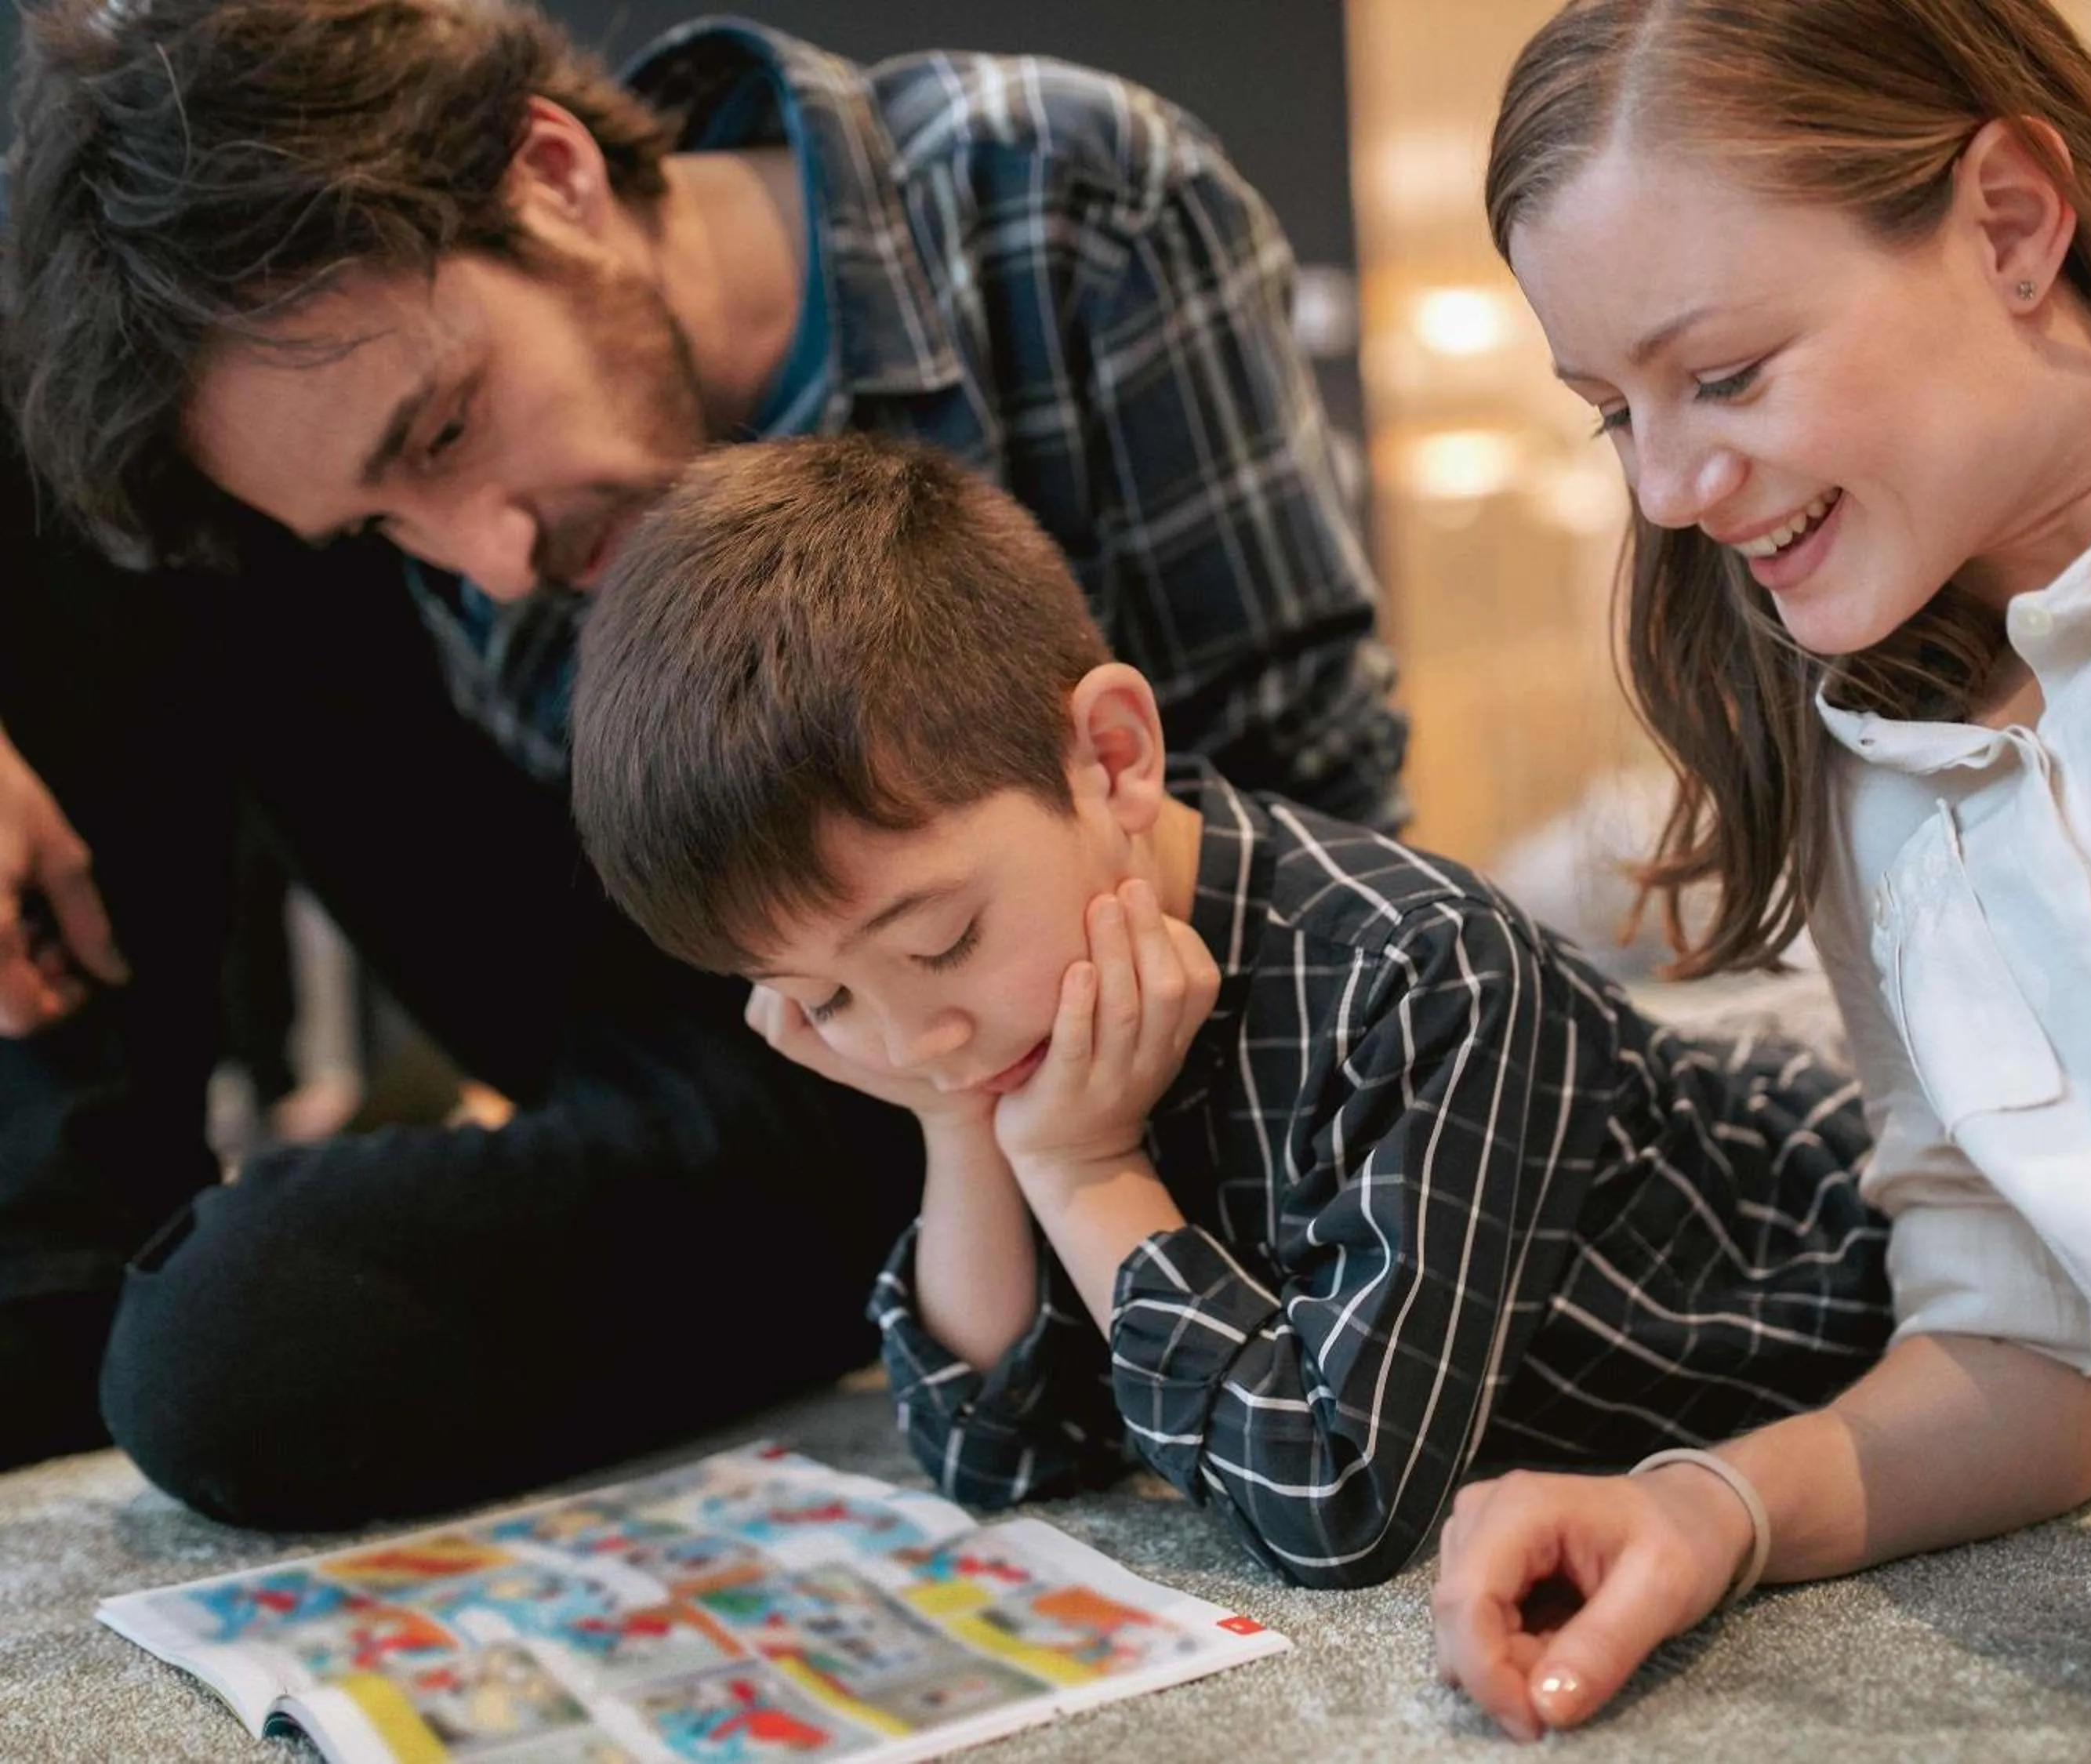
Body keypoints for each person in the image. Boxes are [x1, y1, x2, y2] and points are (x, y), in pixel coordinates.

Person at [0, 0, 1405, 1522]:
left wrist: (1065, 1128)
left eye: (451, 427)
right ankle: (51, 1280)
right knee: (211, 1342)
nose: (488, 560)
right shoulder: (480, 537)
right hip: (734, 1025)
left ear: (551, 175)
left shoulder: (1066, 202)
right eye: (384, 523)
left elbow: (1323, 833)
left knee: (226, 1349)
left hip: (1085, 1063)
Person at [1425, 0, 2091, 1740]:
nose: (1674, 490)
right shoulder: (1877, 788)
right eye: (1608, 412)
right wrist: (1711, 1510)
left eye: (1727, 376)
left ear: (2011, 222)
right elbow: (2033, 1350)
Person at [564, 434, 1893, 1592]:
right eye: (824, 999)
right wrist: (963, 1126)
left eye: (944, 941)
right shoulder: (998, 1026)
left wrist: (1089, 1174)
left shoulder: (1423, 973)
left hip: (1839, 1259)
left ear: (1113, 758)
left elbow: (1339, 1506)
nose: (919, 1033)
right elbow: (994, 1453)